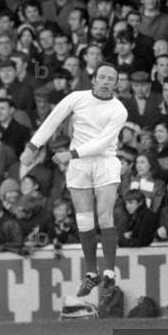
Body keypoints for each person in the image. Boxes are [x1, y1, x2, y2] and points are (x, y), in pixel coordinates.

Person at [20, 62, 128, 297]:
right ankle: (92, 273)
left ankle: (109, 271)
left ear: (116, 83)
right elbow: (53, 119)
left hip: (105, 160)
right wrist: (32, 145)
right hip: (80, 165)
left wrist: (72, 153)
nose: (107, 81)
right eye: (103, 77)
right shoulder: (77, 98)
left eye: (112, 78)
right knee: (84, 219)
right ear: (94, 79)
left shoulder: (119, 110)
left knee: (104, 214)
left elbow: (102, 142)